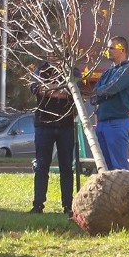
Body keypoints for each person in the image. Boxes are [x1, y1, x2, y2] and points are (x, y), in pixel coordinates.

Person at [30, 53, 77, 214]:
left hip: (66, 126)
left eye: (56, 53)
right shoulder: (40, 70)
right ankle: (38, 204)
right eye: (50, 53)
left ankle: (68, 205)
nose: (53, 56)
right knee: (42, 165)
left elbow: (74, 92)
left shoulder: (72, 71)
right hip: (44, 125)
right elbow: (36, 88)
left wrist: (50, 90)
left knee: (66, 167)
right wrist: (61, 90)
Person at [91, 36, 129, 170]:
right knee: (105, 168)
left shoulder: (128, 70)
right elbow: (94, 96)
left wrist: (101, 93)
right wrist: (101, 93)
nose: (108, 50)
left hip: (116, 124)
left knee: (119, 169)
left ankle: (122, 192)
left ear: (122, 49)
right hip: (102, 124)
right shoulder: (108, 73)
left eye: (112, 47)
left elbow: (111, 89)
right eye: (108, 48)